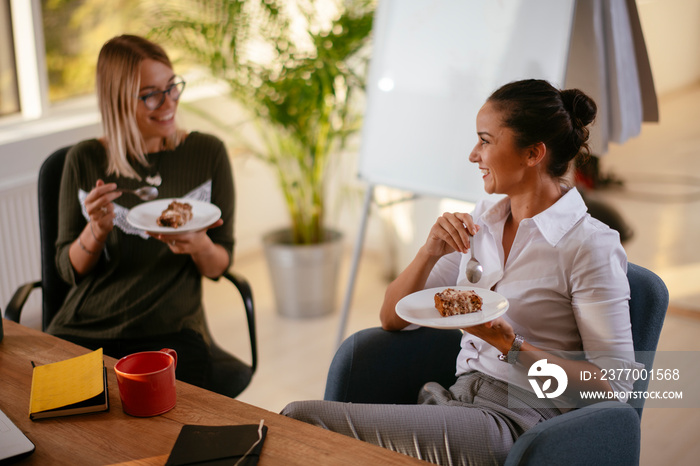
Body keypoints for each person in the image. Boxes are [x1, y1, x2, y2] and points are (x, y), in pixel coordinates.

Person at [282, 79, 643, 464]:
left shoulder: (588, 246)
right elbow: (391, 317)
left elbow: (612, 387)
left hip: (522, 422)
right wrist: (429, 251)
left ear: (533, 153)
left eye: (486, 141)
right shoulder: (481, 223)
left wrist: (511, 346)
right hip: (457, 399)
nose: (474, 155)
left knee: (300, 421)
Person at [48, 34, 243, 395]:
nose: (169, 103)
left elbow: (218, 265)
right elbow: (67, 269)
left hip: (172, 331)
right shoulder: (85, 159)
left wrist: (199, 244)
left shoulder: (207, 152)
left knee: (159, 435)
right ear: (118, 102)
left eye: (172, 87)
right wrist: (97, 231)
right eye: (151, 93)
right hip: (86, 328)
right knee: (65, 426)